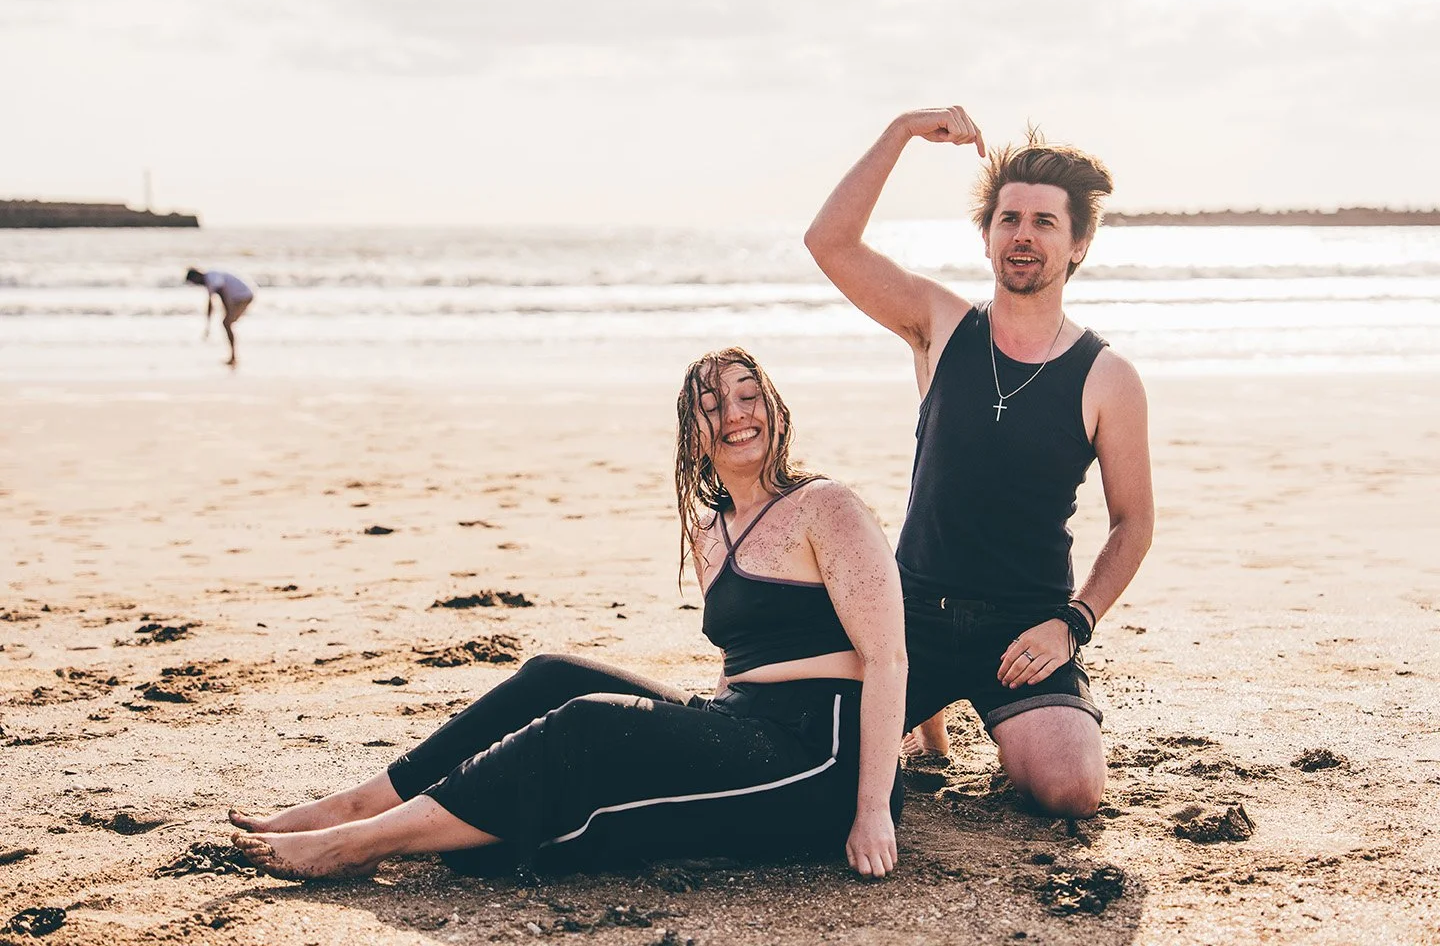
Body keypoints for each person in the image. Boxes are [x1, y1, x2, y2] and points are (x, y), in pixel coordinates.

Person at [229, 347, 908, 880]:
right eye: (711, 406)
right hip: (742, 722)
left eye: (747, 396)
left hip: (824, 755)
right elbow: (744, 660)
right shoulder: (712, 530)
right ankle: (354, 805)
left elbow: (889, 657)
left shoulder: (825, 506)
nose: (733, 414)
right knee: (556, 677)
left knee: (589, 726)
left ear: (778, 413)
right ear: (692, 435)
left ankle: (360, 843)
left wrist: (873, 809)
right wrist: (701, 728)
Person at [804, 106, 1154, 818]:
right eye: (1009, 220)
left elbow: (1133, 523)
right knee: (814, 757)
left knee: (1073, 790)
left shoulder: (1107, 376)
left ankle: (987, 719)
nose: (1023, 235)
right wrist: (901, 130)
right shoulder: (938, 325)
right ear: (989, 236)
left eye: (1045, 222)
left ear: (1079, 243)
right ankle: (921, 711)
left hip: (1025, 627)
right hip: (910, 615)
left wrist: (1073, 622)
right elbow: (830, 242)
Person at [185, 267, 254, 367]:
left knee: (227, 323)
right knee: (228, 324)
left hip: (243, 296)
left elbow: (221, 293)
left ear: (196, 276)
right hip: (239, 296)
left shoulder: (211, 277)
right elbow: (211, 304)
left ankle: (233, 357)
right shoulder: (210, 281)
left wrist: (228, 310)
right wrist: (208, 324)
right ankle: (233, 356)